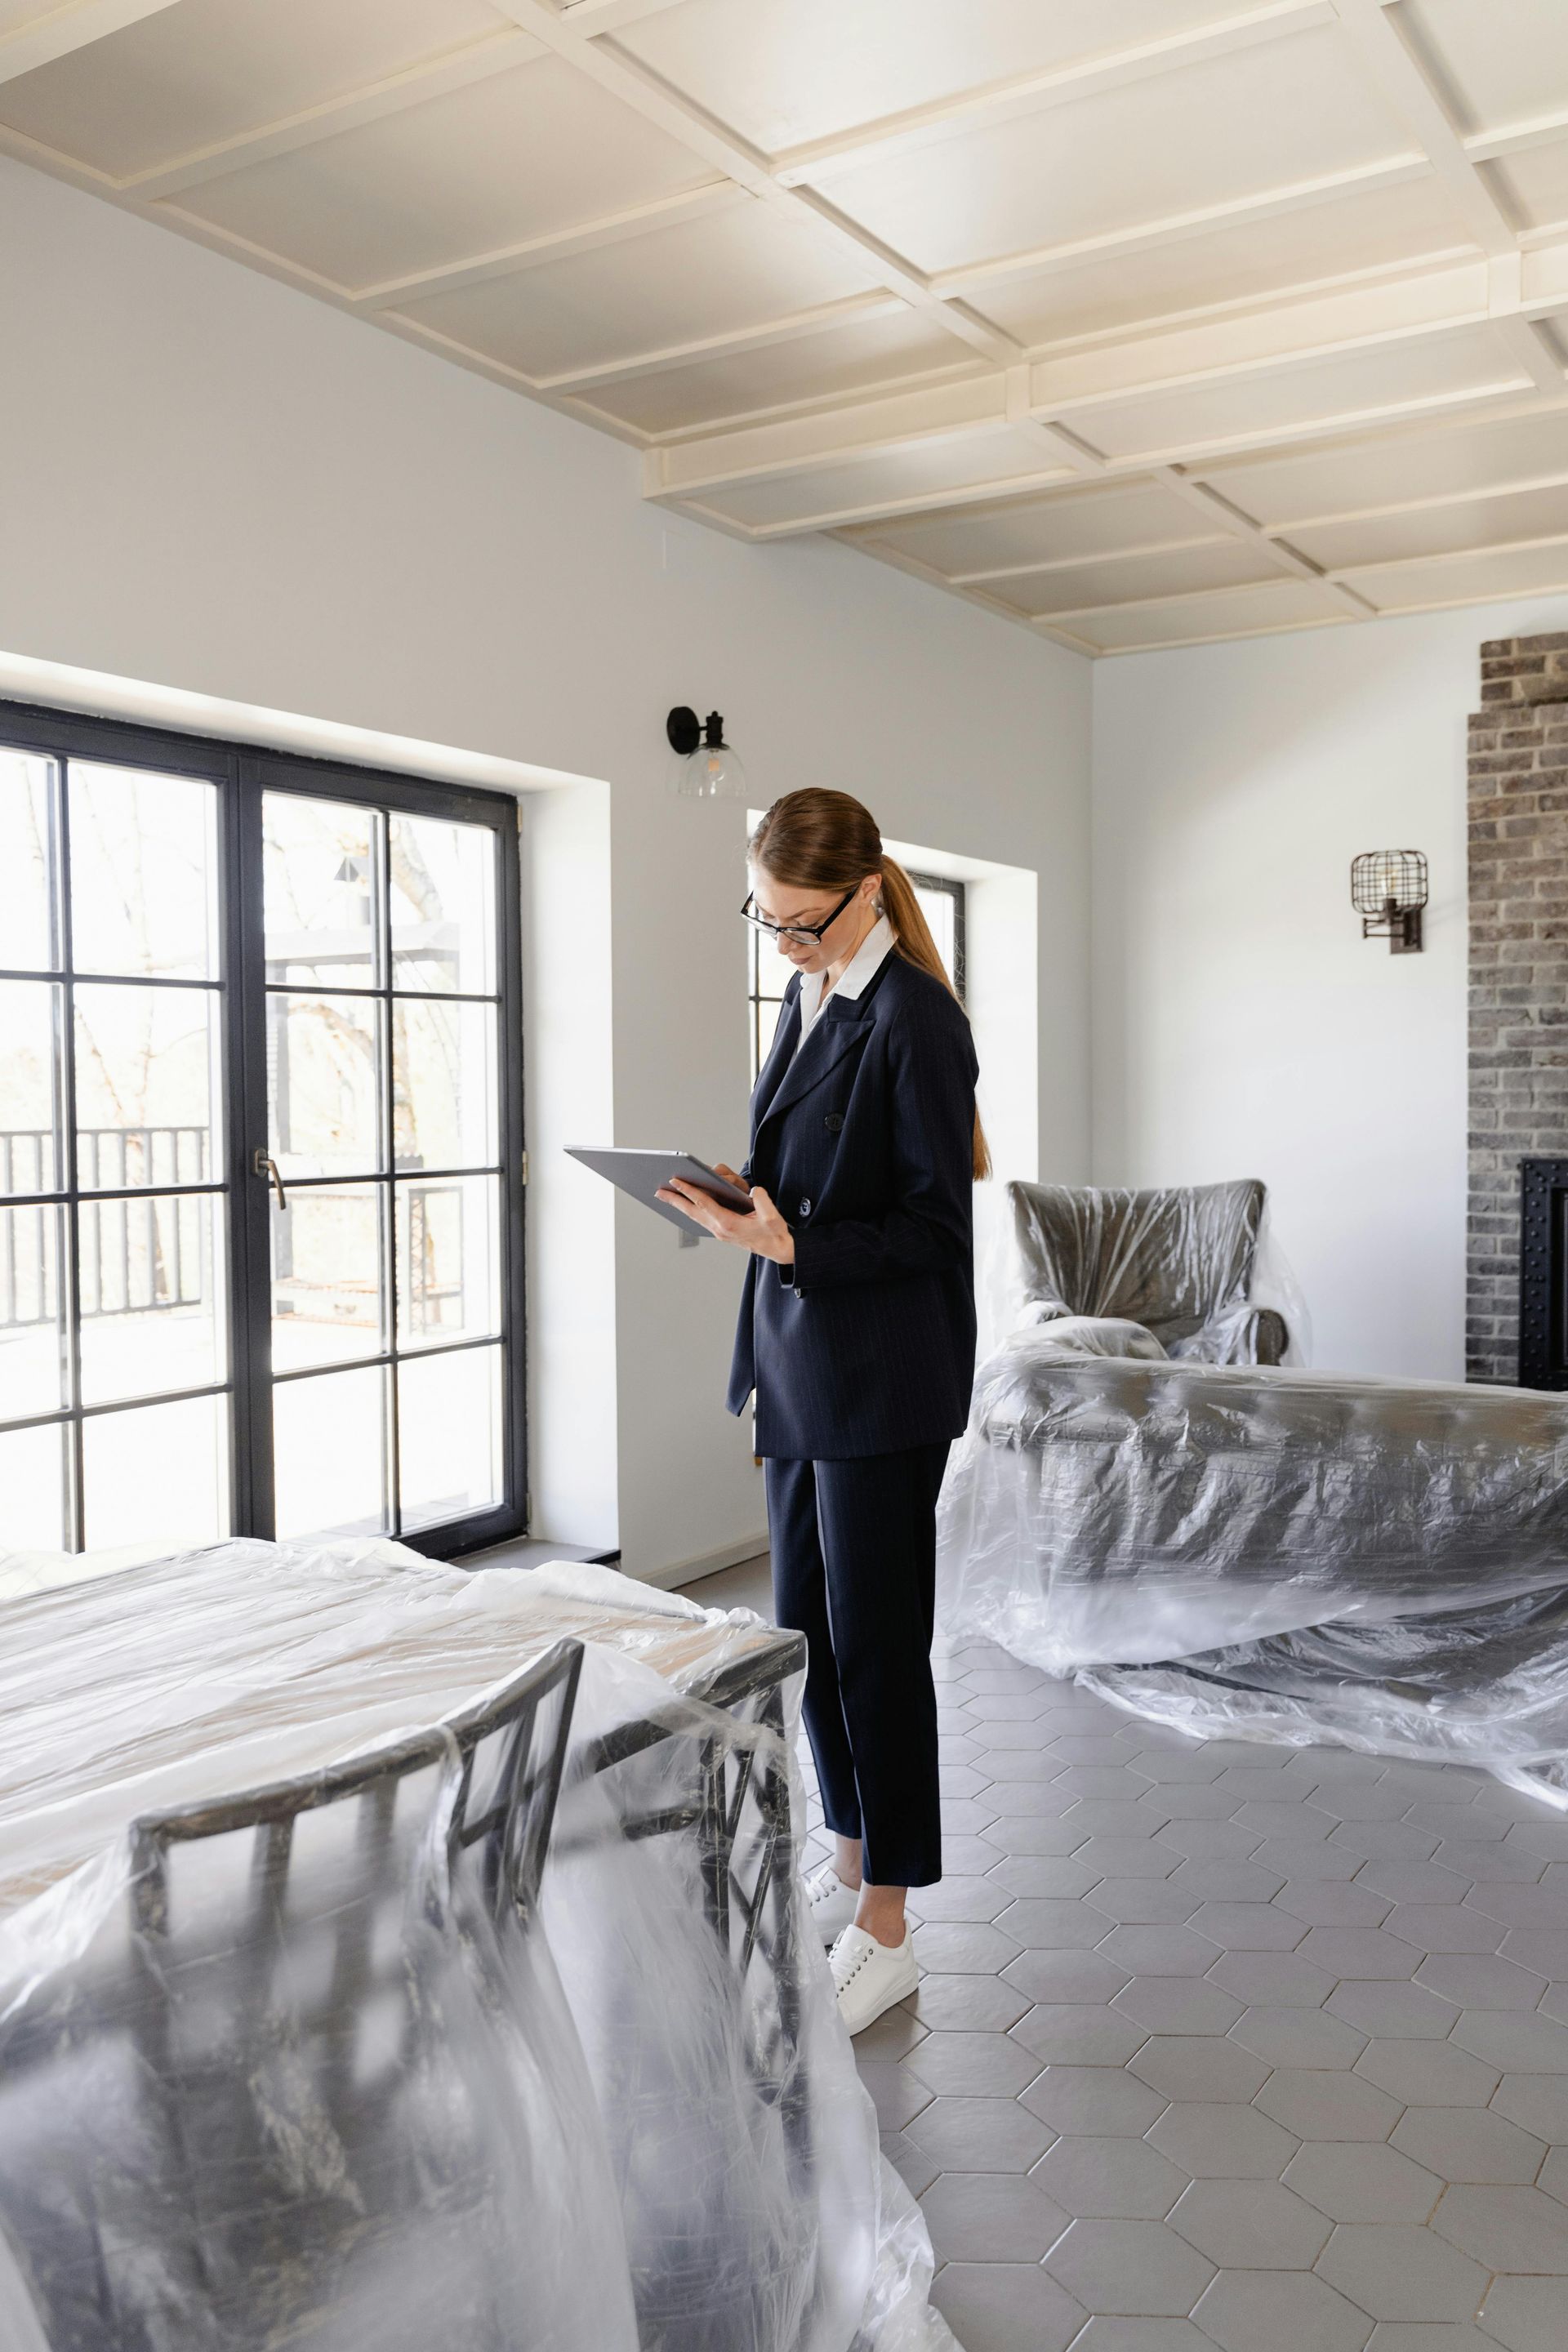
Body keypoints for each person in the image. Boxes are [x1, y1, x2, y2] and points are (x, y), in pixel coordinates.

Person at [659, 788, 987, 2035]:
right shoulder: (815, 996)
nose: (785, 944)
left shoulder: (916, 1017)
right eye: (770, 921)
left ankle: (890, 1926)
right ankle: (853, 1861)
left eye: (803, 924)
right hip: (799, 1360)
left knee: (879, 1648)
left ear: (866, 891)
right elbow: (820, 1185)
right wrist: (748, 1207)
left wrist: (788, 1234)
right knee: (807, 1630)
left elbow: (931, 1230)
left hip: (883, 1375)